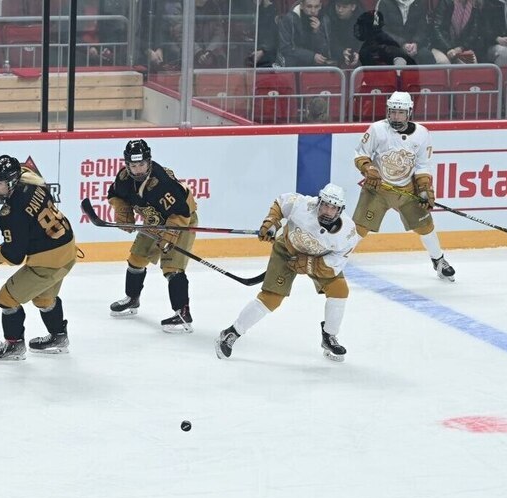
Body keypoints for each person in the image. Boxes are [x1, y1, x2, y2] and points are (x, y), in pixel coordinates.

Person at [215, 184, 359, 362]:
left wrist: (307, 264)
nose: (328, 211)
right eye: (325, 205)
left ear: (340, 210)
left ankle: (329, 336)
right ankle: (231, 333)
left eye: (333, 207)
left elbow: (335, 264)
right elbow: (280, 203)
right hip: (287, 253)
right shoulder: (303, 205)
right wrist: (271, 223)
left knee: (339, 290)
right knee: (271, 299)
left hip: (319, 259)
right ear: (319, 201)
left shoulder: (348, 233)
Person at [0, 155, 76, 360]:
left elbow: (14, 254)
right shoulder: (33, 181)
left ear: (11, 181)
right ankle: (59, 337)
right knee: (44, 298)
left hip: (48, 261)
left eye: (0, 183)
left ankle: (14, 346)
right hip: (67, 250)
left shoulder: (10, 213)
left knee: (6, 298)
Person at [353, 91, 456, 281]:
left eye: (400, 113)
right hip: (378, 190)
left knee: (426, 227)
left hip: (407, 191)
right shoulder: (377, 129)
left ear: (409, 112)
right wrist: (368, 168)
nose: (395, 117)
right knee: (359, 228)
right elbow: (360, 154)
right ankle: (335, 259)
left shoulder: (422, 134)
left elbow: (423, 165)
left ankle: (439, 261)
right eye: (392, 112)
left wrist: (424, 188)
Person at [107, 140, 199, 332]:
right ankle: (132, 299)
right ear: (127, 164)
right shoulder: (124, 178)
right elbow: (115, 194)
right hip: (154, 221)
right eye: (133, 165)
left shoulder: (162, 183)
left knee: (172, 268)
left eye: (141, 164)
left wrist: (170, 235)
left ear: (149, 161)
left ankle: (183, 315)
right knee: (136, 258)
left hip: (181, 221)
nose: (138, 169)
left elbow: (181, 212)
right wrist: (123, 212)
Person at [373, 0, 438, 64]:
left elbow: (423, 28)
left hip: (414, 45)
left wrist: (416, 43)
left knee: (426, 56)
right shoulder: (383, 2)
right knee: (399, 59)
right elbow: (381, 30)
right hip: (390, 45)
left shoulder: (419, 2)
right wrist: (402, 43)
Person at [277, 0, 333, 67]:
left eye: (316, 6)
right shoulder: (289, 19)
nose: (313, 10)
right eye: (309, 6)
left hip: (317, 66)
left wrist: (317, 32)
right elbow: (286, 48)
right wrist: (311, 56)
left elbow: (327, 50)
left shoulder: (324, 20)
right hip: (293, 66)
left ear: (320, 6)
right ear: (301, 5)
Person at [430, 0, 485, 65]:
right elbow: (436, 28)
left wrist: (461, 47)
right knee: (444, 63)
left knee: (472, 64)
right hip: (441, 47)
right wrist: (449, 48)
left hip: (461, 48)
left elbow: (474, 32)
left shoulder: (474, 6)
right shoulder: (445, 2)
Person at [325, 0, 361, 69]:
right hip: (334, 59)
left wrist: (359, 53)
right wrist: (341, 52)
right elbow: (328, 41)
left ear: (353, 7)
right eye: (338, 6)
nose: (340, 10)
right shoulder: (327, 18)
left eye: (344, 7)